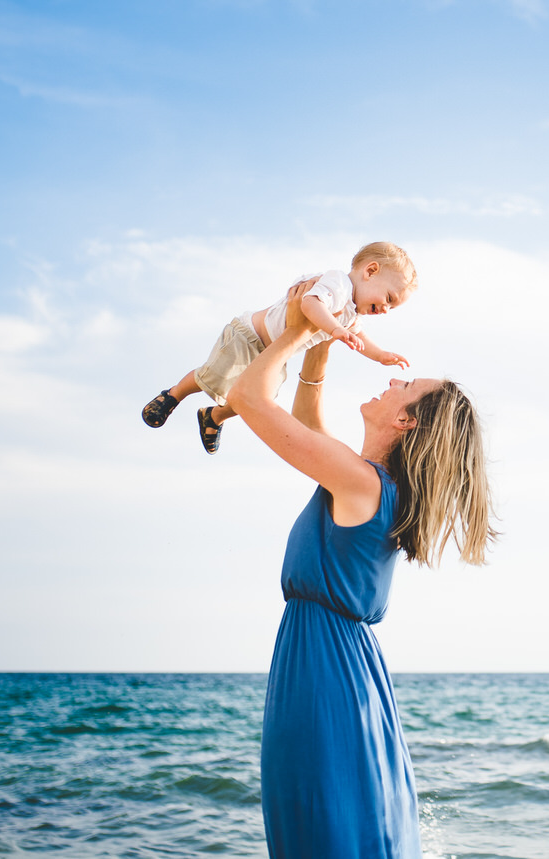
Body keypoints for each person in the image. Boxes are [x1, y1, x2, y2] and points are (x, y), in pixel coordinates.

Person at [229, 280, 494, 858]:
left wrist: (298, 328)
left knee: (326, 825)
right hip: (335, 664)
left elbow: (247, 397)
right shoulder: (366, 480)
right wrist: (321, 345)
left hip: (325, 671)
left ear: (407, 423)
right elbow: (305, 420)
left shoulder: (362, 483)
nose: (393, 381)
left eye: (406, 387)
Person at [141, 241, 417, 454]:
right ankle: (173, 395)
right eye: (389, 298)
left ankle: (213, 417)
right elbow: (309, 304)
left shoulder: (352, 313)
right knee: (213, 376)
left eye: (392, 307)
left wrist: (380, 355)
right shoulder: (339, 284)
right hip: (249, 336)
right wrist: (335, 329)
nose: (386, 309)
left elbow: (360, 337)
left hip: (274, 352)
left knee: (259, 398)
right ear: (370, 271)